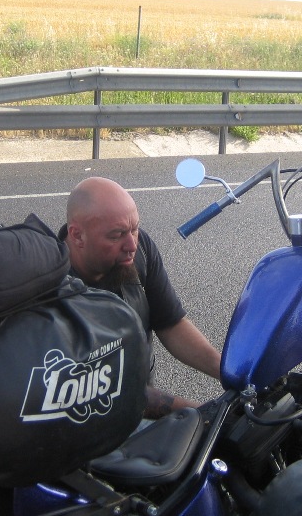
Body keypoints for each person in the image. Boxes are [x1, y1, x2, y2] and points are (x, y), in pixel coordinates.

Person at [61, 176, 222, 418]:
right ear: (77, 236)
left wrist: (229, 372)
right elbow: (115, 391)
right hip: (88, 415)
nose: (131, 245)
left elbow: (170, 323)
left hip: (140, 388)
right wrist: (206, 414)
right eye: (116, 235)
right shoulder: (51, 286)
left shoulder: (140, 249)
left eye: (134, 229)